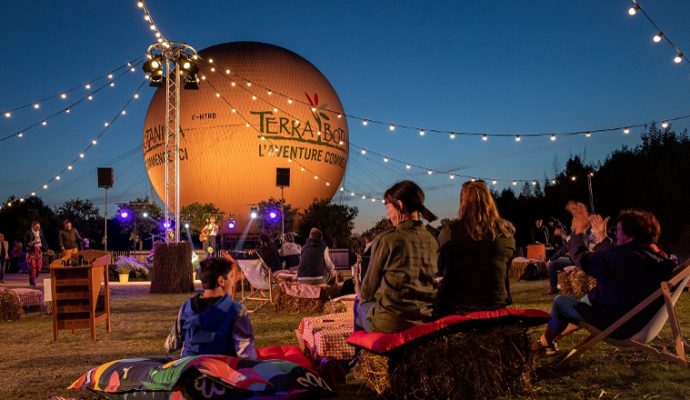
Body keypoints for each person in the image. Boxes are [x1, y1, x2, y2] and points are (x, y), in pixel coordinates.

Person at [533, 206, 676, 353]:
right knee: (587, 300)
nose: (615, 235)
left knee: (560, 302)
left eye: (619, 231)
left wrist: (578, 231)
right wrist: (602, 236)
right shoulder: (657, 257)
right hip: (642, 321)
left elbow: (583, 260)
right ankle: (549, 338)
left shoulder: (623, 257)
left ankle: (546, 342)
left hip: (620, 325)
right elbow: (617, 258)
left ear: (630, 235)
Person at [357, 180, 439, 333]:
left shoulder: (386, 239)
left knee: (360, 305)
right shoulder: (432, 240)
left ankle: (360, 352)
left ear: (399, 205)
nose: (388, 214)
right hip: (424, 320)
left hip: (391, 323)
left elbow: (367, 291)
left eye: (388, 208)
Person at [435, 180, 516, 317]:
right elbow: (505, 270)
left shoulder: (451, 230)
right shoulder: (507, 232)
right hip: (496, 303)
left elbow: (436, 265)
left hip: (456, 306)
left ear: (463, 201)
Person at [165, 256, 257, 359]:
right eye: (231, 277)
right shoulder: (237, 310)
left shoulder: (187, 307)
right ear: (221, 281)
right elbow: (246, 354)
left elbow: (170, 345)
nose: (233, 281)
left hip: (188, 370)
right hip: (222, 370)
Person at [24, 221, 49, 288]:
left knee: (39, 268)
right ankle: (34, 281)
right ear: (33, 226)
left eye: (39, 227)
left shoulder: (41, 232)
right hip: (32, 252)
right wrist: (33, 242)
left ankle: (32, 278)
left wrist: (47, 249)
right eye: (37, 227)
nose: (38, 228)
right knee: (33, 267)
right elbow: (25, 243)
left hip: (39, 251)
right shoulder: (28, 233)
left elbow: (44, 241)